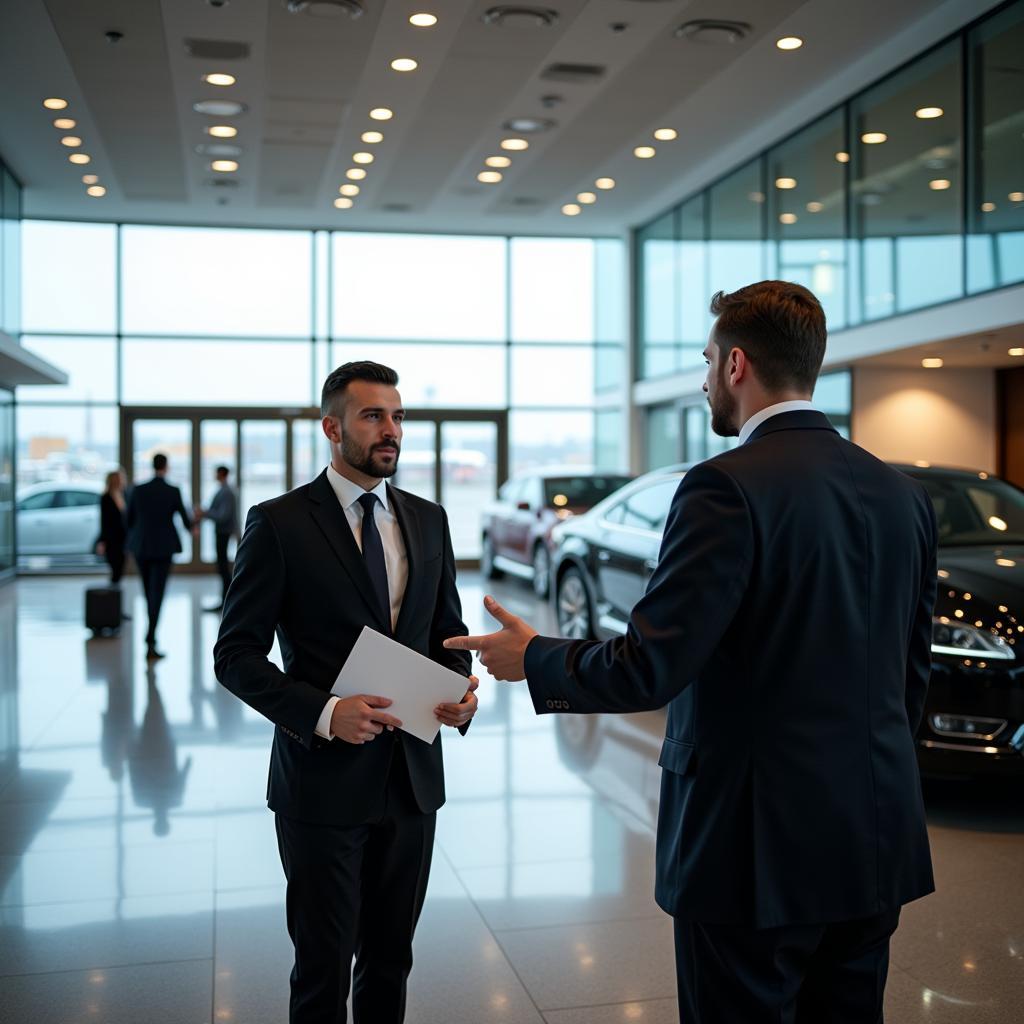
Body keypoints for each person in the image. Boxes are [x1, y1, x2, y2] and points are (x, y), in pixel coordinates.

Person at [446, 281, 938, 1023]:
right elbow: (911, 675)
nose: (705, 376)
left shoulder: (723, 487)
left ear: (737, 364)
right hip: (873, 835)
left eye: (707, 359)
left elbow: (652, 663)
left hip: (753, 853)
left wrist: (537, 656)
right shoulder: (901, 492)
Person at [214, 360, 479, 1024]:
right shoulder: (278, 523)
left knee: (392, 960)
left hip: (412, 782)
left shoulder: (428, 519)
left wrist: (462, 696)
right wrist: (325, 713)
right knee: (323, 968)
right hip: (322, 784)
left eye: (397, 417)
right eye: (373, 417)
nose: (391, 431)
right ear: (332, 427)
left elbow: (446, 632)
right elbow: (235, 655)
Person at [126, 453, 192, 661]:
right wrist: (195, 525)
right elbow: (185, 520)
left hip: (142, 546)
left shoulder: (138, 490)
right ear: (166, 466)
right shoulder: (173, 491)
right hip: (164, 547)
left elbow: (128, 519)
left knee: (148, 592)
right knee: (158, 592)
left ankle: (150, 634)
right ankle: (151, 637)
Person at [197, 464, 238, 613]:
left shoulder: (226, 491)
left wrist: (205, 513)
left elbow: (223, 516)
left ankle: (225, 601)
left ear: (221, 474)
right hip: (223, 532)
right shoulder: (225, 490)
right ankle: (225, 601)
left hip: (223, 533)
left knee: (223, 568)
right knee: (222, 567)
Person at [96, 467, 131, 619]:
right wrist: (102, 541)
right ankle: (113, 609)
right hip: (112, 541)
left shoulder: (123, 496)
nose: (122, 481)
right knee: (115, 574)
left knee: (118, 574)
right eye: (119, 478)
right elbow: (104, 522)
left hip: (123, 541)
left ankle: (116, 609)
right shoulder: (105, 498)